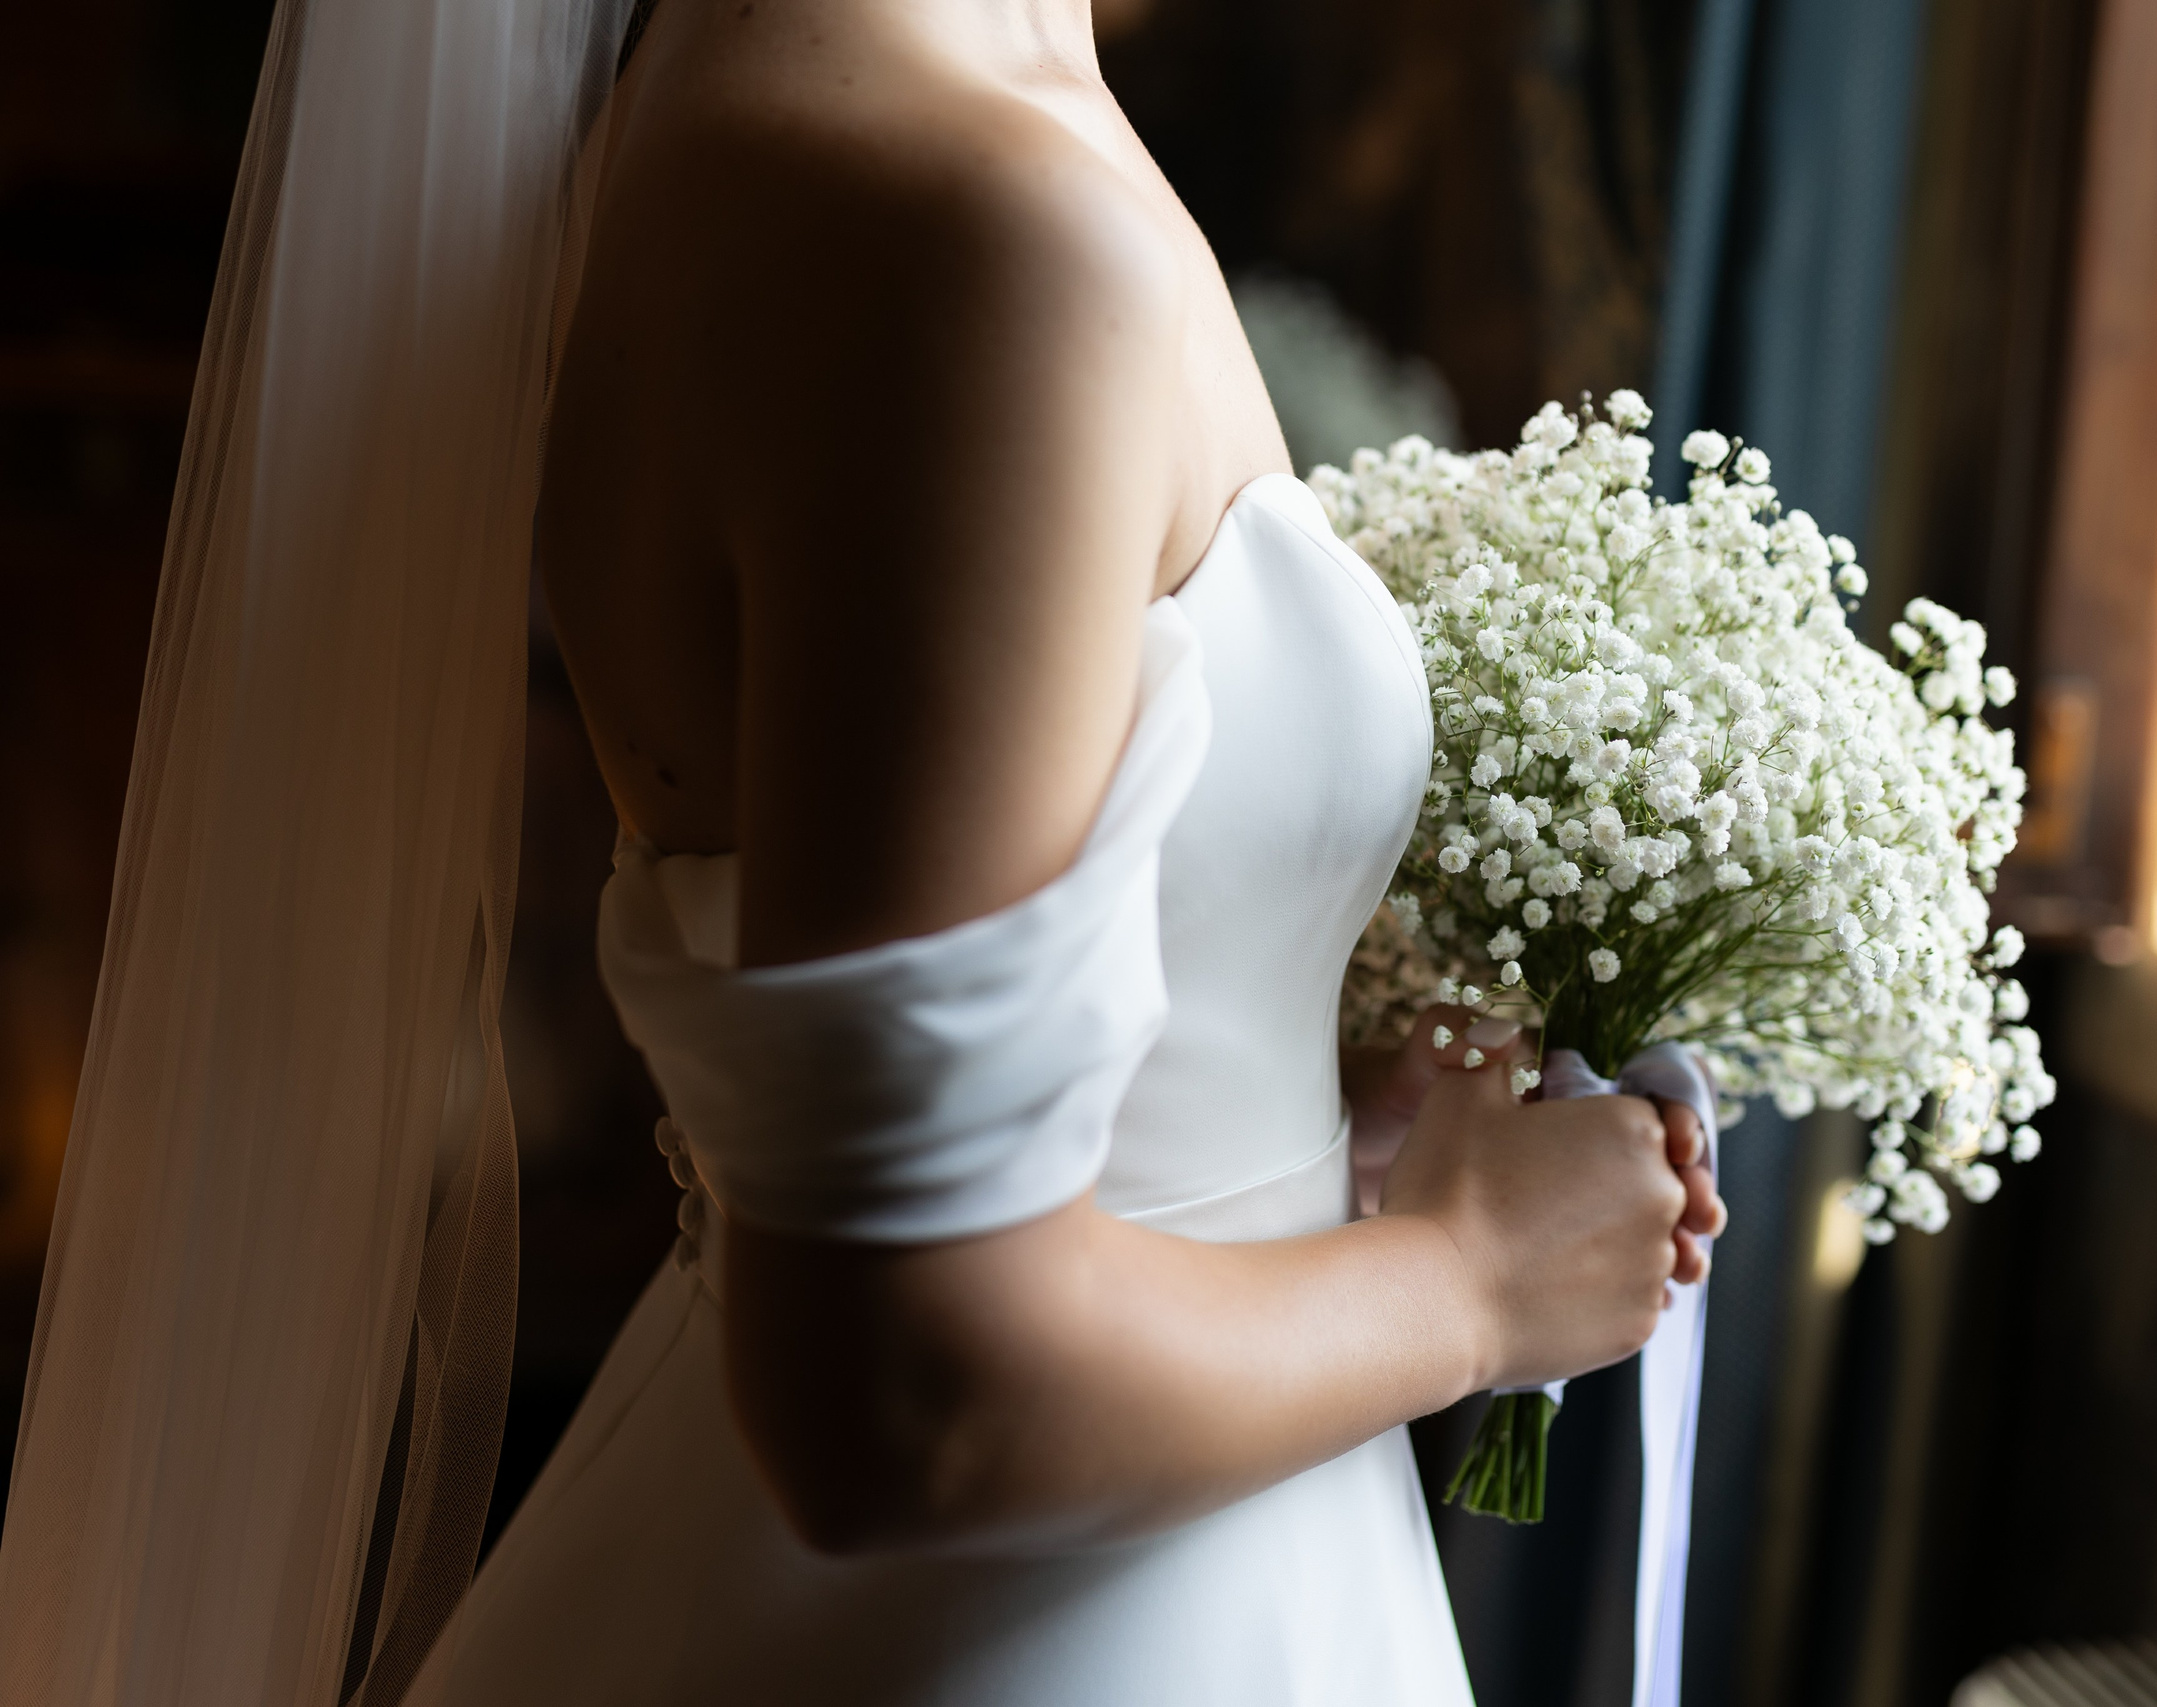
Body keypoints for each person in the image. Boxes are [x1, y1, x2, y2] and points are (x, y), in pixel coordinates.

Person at [0, 0, 1719, 1699]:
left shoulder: (850, 100)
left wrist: (1296, 1107)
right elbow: (903, 1398)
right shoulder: (974, 218)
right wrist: (1471, 1287)